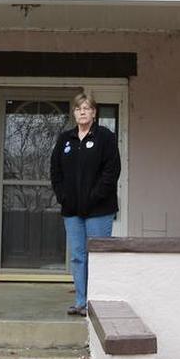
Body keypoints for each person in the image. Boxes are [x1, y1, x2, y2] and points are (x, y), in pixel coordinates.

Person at [50, 92, 121, 317]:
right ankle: (81, 301)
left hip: (99, 210)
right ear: (74, 113)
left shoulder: (105, 138)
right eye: (78, 108)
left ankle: (97, 302)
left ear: (94, 113)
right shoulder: (65, 140)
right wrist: (63, 196)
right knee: (78, 256)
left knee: (98, 256)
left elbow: (111, 172)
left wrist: (94, 196)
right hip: (72, 210)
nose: (82, 112)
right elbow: (55, 172)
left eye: (87, 108)